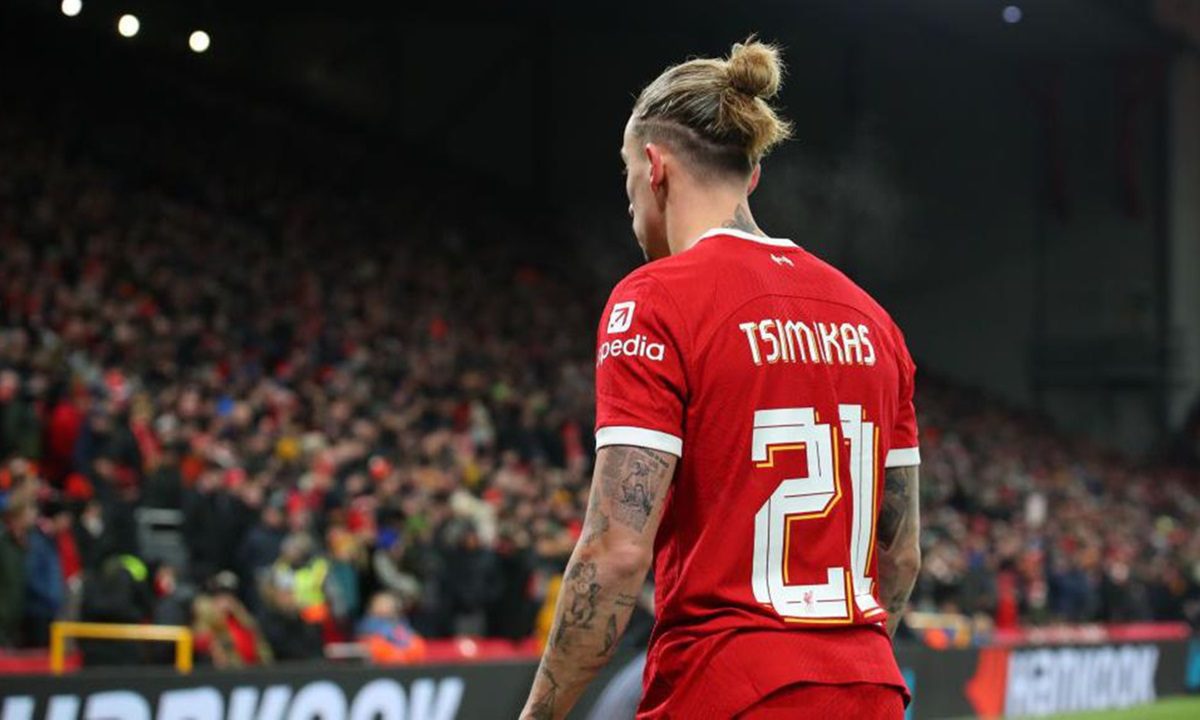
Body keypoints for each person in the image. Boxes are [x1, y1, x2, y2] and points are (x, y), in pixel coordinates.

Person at [521, 38, 922, 719]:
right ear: (752, 176)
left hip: (727, 687)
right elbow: (901, 554)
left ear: (654, 168)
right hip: (869, 689)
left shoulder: (655, 299)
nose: (630, 202)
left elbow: (616, 552)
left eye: (627, 175)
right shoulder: (873, 321)